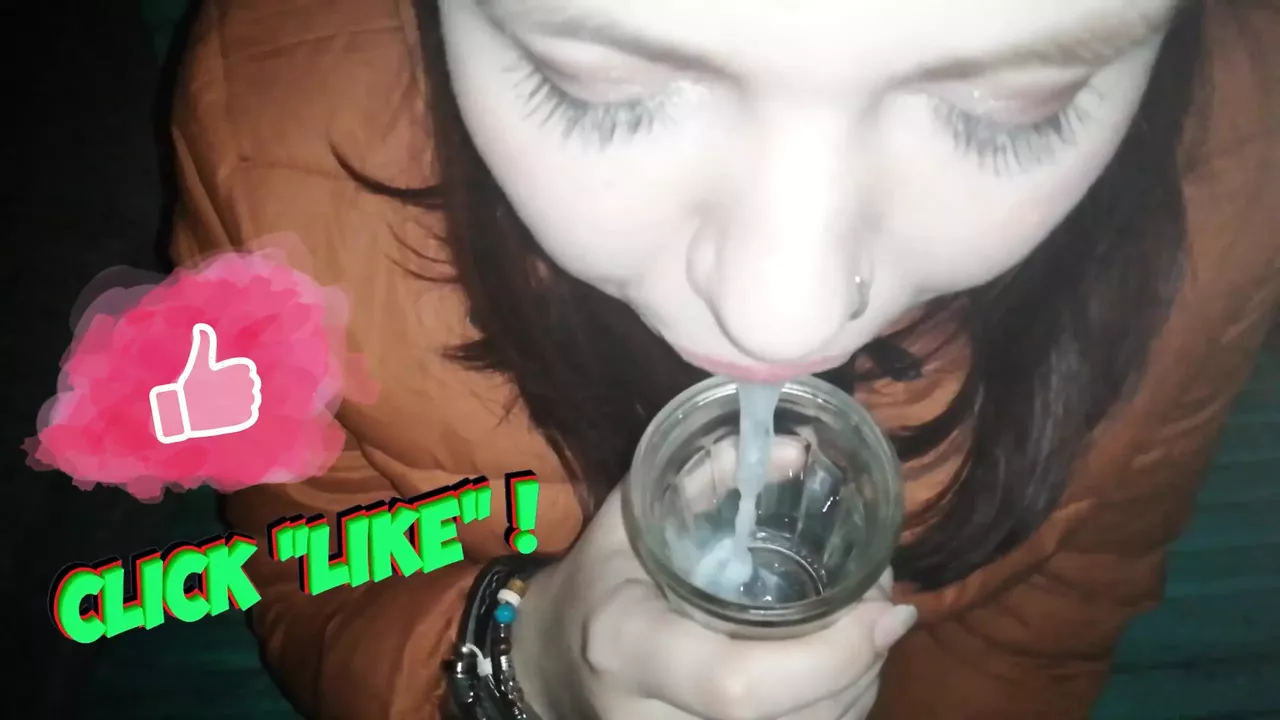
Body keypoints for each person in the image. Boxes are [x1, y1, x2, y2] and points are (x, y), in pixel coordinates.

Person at [167, 0, 1278, 718]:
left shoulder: (1231, 174)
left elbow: (1064, 604)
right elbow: (306, 564)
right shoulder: (278, 151)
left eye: (1012, 107)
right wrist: (521, 662)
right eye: (598, 85)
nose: (780, 321)